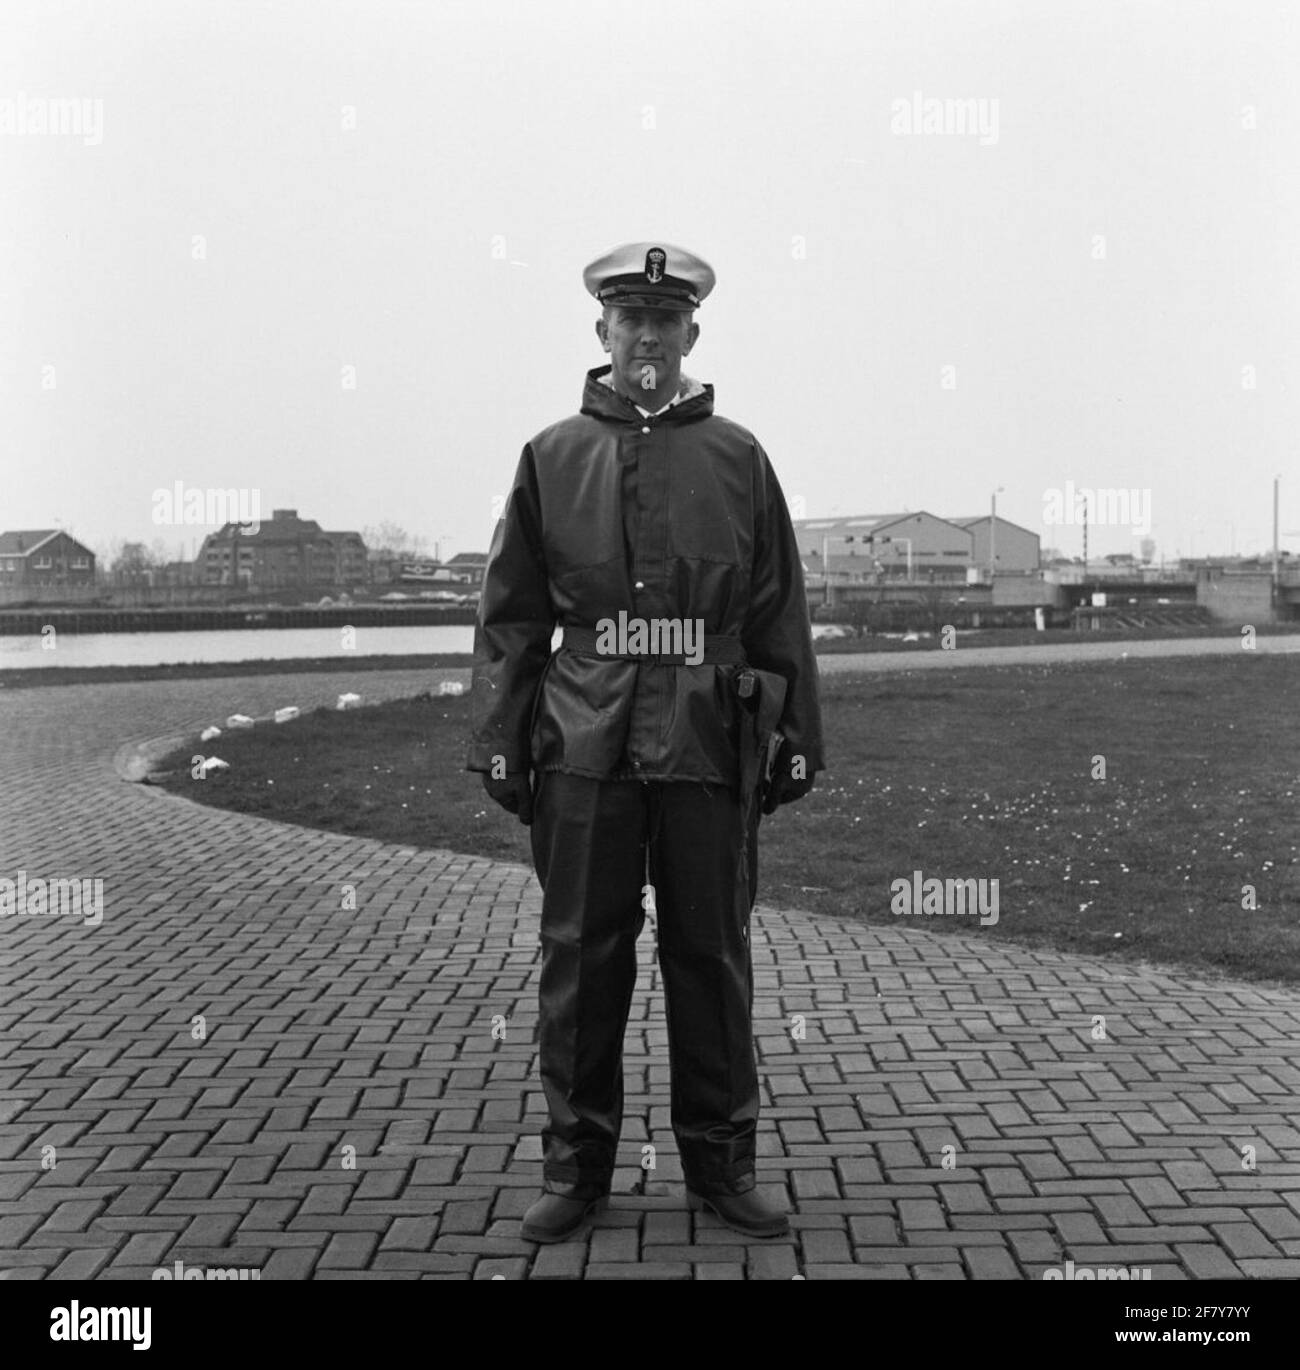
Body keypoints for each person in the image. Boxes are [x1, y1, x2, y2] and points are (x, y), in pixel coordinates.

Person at [467, 241, 823, 1243]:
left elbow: (776, 608)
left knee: (710, 955)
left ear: (692, 333)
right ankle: (576, 1171)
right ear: (603, 333)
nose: (650, 334)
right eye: (632, 318)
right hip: (582, 741)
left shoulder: (740, 457)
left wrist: (794, 732)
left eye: (668, 319)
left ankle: (720, 1165)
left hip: (710, 741)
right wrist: (501, 734)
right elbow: (510, 614)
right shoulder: (551, 455)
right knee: (581, 957)